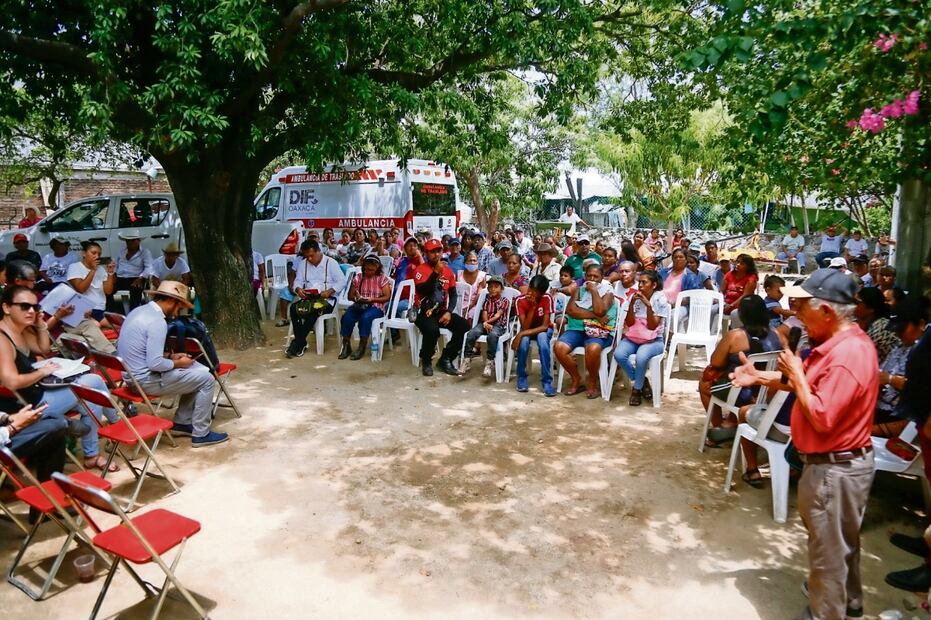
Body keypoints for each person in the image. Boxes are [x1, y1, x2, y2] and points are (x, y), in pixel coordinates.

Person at [730, 268, 877, 620]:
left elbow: (822, 415)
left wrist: (795, 374)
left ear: (826, 310)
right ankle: (850, 601)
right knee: (840, 543)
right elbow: (804, 385)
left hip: (835, 467)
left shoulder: (848, 355)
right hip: (832, 466)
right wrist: (761, 375)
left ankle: (825, 611)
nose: (796, 314)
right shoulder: (832, 345)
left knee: (827, 554)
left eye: (802, 307)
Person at [0, 285, 120, 471]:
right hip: (25, 408)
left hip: (37, 394)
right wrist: (42, 371)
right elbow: (12, 381)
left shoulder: (19, 330)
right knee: (93, 385)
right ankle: (114, 425)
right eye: (24, 306)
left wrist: (40, 325)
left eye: (35, 307)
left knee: (91, 395)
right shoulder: (2, 339)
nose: (31, 311)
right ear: (6, 307)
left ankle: (95, 445)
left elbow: (43, 349)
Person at [117, 280, 228, 447]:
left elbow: (144, 352)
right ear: (171, 301)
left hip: (131, 375)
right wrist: (178, 363)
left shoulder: (138, 312)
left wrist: (170, 356)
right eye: (178, 307)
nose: (177, 313)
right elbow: (155, 364)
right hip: (144, 381)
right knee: (207, 379)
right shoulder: (157, 322)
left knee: (197, 372)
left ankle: (183, 420)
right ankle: (201, 433)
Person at [700, 295, 782, 447]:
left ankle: (720, 429)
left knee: (705, 383)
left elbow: (715, 362)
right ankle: (731, 420)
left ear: (741, 315)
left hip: (740, 391)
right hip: (766, 391)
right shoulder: (777, 334)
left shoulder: (735, 335)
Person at [554, 263, 616, 398]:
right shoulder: (579, 290)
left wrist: (594, 291)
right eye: (589, 276)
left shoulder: (608, 292)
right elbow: (571, 311)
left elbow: (601, 310)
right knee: (559, 347)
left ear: (601, 277)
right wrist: (594, 315)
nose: (592, 279)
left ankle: (592, 382)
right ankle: (577, 378)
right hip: (577, 329)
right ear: (585, 276)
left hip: (598, 331)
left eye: (596, 276)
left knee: (593, 349)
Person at [871, 296, 929, 438]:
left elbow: (921, 389)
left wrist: (891, 379)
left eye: (902, 329)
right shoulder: (900, 346)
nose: (898, 333)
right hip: (880, 407)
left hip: (903, 418)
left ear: (921, 324)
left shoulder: (925, 351)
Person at [413, 239, 469, 376]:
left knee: (463, 325)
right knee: (432, 330)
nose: (436, 254)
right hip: (422, 311)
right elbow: (424, 290)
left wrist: (449, 312)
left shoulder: (448, 272)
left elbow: (453, 295)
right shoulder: (420, 270)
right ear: (426, 253)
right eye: (432, 251)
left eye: (438, 251)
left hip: (440, 312)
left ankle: (446, 358)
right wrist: (436, 273)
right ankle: (426, 360)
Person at [614, 270, 670, 406]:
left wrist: (649, 306)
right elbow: (631, 323)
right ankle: (641, 380)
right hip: (634, 337)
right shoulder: (635, 296)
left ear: (654, 285)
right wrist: (632, 304)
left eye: (644, 283)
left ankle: (636, 390)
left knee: (641, 356)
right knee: (619, 354)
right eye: (640, 283)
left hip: (654, 340)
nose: (640, 286)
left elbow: (652, 326)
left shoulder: (660, 298)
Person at [285, 239, 346, 358]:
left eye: (312, 255)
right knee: (293, 309)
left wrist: (330, 291)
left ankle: (297, 344)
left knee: (314, 311)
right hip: (309, 298)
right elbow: (298, 281)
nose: (310, 259)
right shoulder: (303, 263)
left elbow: (342, 281)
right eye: (307, 256)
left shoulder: (331, 263)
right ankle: (301, 342)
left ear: (319, 251)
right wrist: (298, 289)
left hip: (328, 299)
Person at [65, 241, 119, 354]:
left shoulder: (101, 269)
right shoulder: (74, 267)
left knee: (121, 324)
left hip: (100, 309)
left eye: (99, 254)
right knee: (99, 325)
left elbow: (108, 291)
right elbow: (81, 288)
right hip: (84, 310)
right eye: (93, 253)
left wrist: (110, 273)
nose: (97, 256)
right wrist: (93, 270)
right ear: (83, 253)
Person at [338, 254, 392, 360]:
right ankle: (346, 345)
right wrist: (358, 298)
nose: (369, 272)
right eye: (367, 269)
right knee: (347, 317)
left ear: (377, 268)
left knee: (365, 318)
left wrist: (372, 299)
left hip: (376, 306)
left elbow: (387, 297)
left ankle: (361, 347)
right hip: (360, 305)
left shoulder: (382, 279)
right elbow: (350, 296)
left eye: (372, 270)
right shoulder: (359, 277)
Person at [512, 275, 556, 396]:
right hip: (528, 329)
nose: (533, 294)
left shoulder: (547, 298)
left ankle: (547, 381)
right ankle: (521, 377)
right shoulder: (520, 300)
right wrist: (532, 307)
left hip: (543, 330)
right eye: (532, 290)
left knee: (542, 338)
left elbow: (545, 326)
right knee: (524, 341)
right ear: (529, 287)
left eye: (537, 293)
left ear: (542, 293)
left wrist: (520, 334)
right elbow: (525, 327)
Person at [461, 275, 509, 377]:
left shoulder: (505, 301)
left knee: (492, 336)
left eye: (496, 286)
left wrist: (488, 323)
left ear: (502, 289)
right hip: (486, 323)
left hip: (499, 324)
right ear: (487, 289)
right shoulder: (487, 300)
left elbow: (498, 315)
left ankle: (490, 362)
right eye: (490, 287)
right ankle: (467, 360)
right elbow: (484, 313)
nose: (493, 289)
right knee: (471, 334)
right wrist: (486, 323)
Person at [854, 286, 898, 364]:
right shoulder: (853, 322)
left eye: (857, 302)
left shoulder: (882, 330)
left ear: (871, 308)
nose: (852, 305)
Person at [111, 229, 153, 312]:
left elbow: (149, 267)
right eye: (128, 241)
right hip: (120, 277)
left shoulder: (145, 252)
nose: (130, 243)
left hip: (136, 278)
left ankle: (133, 313)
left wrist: (141, 278)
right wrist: (114, 274)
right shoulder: (121, 251)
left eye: (133, 240)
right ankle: (115, 313)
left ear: (138, 241)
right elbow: (115, 264)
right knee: (110, 291)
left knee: (135, 292)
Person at [722, 254, 758, 319]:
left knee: (735, 314)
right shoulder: (729, 274)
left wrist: (731, 306)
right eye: (737, 262)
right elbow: (721, 291)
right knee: (713, 309)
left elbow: (745, 296)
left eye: (742, 263)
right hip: (726, 303)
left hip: (742, 305)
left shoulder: (751, 278)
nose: (738, 264)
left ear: (748, 266)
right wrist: (721, 302)